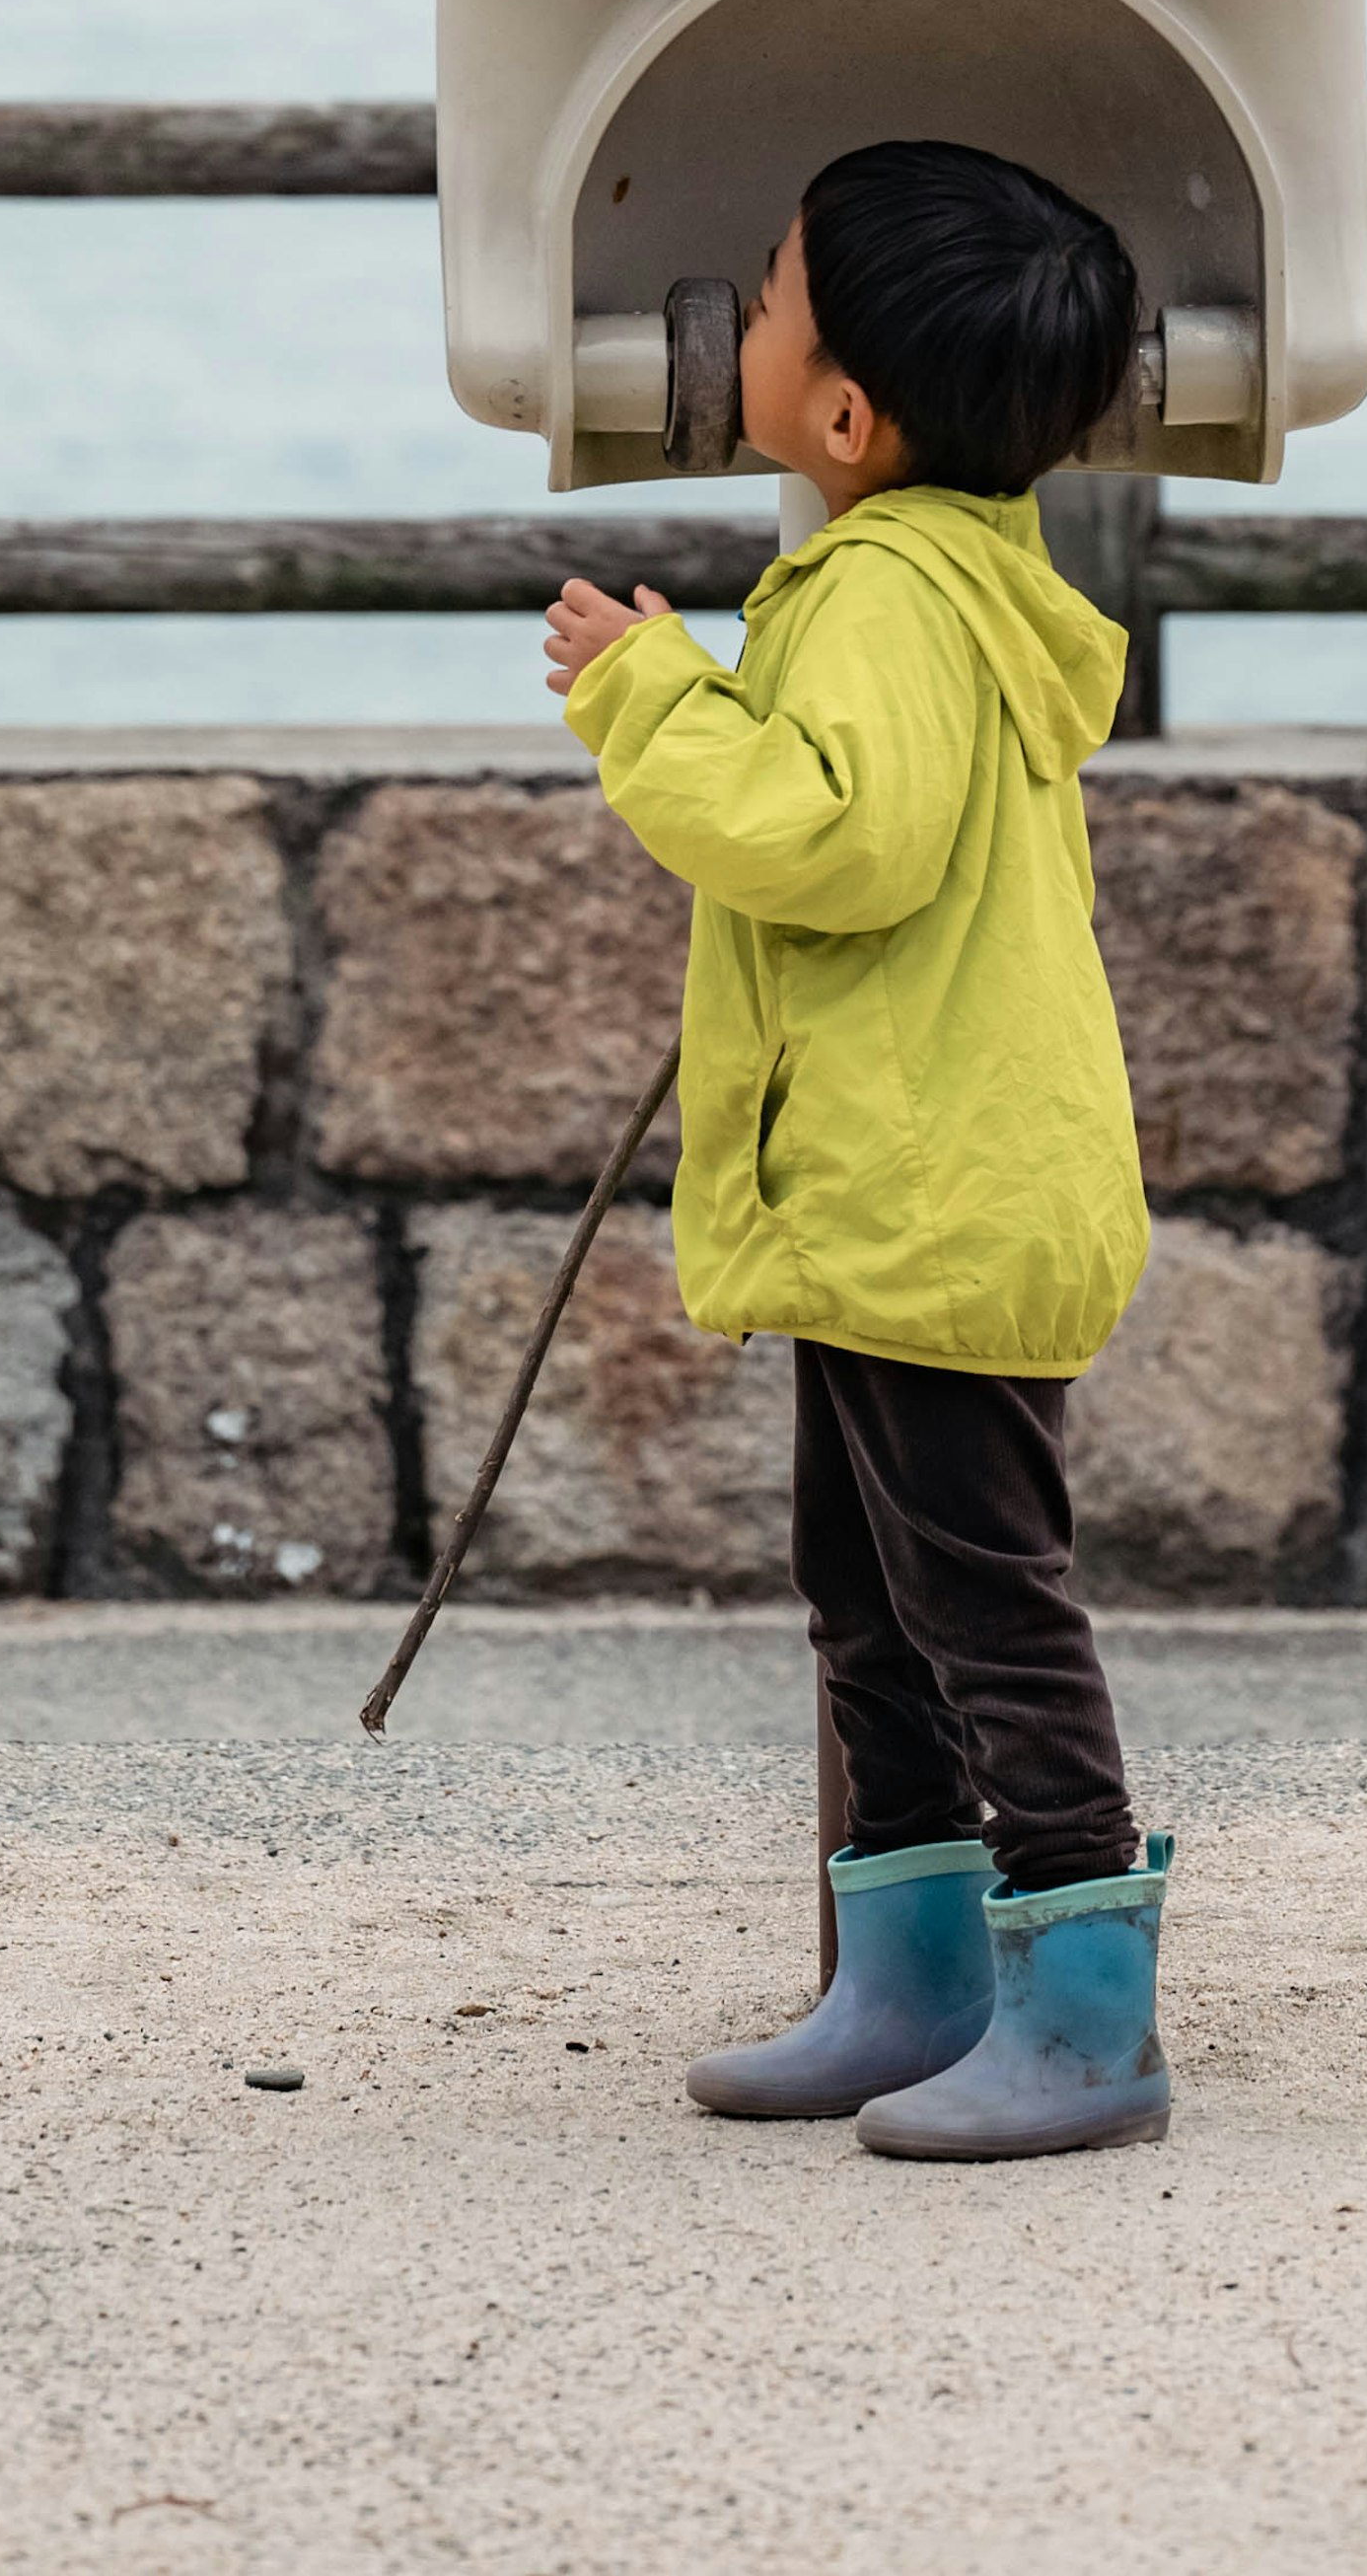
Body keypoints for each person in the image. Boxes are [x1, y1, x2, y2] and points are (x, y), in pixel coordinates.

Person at [542, 131, 1171, 2158]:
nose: (742, 295)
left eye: (778, 280)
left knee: (980, 1596)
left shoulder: (888, 591)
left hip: (934, 1189)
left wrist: (647, 693)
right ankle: (908, 1973)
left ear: (841, 410)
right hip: (916, 1186)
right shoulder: (938, 572)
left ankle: (1087, 2014)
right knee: (871, 1589)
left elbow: (834, 833)